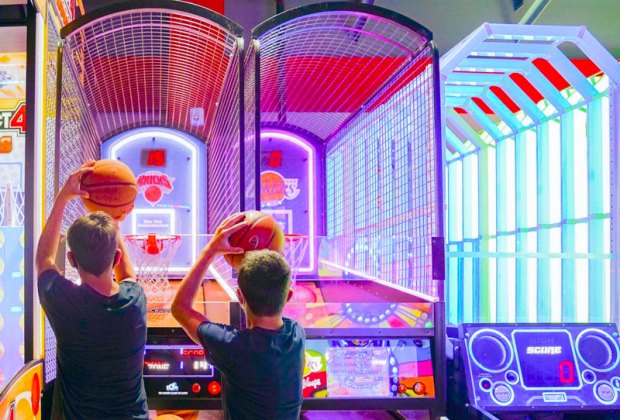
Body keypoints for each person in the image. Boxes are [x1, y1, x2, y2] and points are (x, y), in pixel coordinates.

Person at [36, 161, 148, 419]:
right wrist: (112, 218)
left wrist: (64, 195)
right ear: (117, 258)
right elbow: (129, 277)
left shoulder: (65, 304)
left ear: (72, 260)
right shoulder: (135, 302)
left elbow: (44, 259)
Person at [171, 213, 305, 420]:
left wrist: (210, 250)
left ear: (239, 295)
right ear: (288, 296)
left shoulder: (232, 346)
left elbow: (180, 308)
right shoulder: (296, 334)